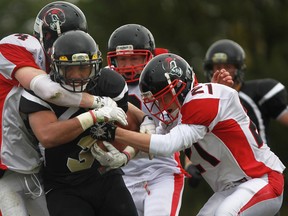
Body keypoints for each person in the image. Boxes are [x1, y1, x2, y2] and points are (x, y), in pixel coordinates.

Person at [94, 53, 285, 216]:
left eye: (163, 97)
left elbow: (167, 144)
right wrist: (125, 155)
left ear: (180, 87)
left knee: (225, 214)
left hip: (261, 180)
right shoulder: (182, 111)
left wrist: (114, 133)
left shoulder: (199, 103)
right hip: (230, 189)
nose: (160, 106)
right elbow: (154, 146)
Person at [0, 2, 115, 215]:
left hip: (33, 169)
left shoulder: (67, 70)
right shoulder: (20, 47)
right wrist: (99, 104)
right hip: (4, 168)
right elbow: (49, 91)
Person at [19, 30, 139, 216]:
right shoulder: (39, 93)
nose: (76, 76)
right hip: (63, 185)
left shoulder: (108, 84)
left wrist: (126, 154)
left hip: (104, 178)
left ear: (95, 66)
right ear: (56, 67)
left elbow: (133, 126)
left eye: (83, 68)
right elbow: (49, 136)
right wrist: (92, 116)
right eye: (69, 68)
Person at [106, 24, 186, 216]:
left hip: (160, 170)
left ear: (149, 56)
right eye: (122, 59)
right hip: (121, 175)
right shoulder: (105, 82)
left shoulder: (164, 77)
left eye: (134, 58)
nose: (128, 65)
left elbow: (179, 130)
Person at [203, 39, 288, 145]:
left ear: (238, 69)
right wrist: (189, 162)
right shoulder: (203, 100)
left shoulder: (257, 92)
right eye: (218, 67)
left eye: (228, 67)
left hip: (258, 160)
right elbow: (196, 141)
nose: (222, 72)